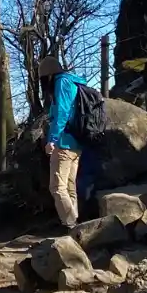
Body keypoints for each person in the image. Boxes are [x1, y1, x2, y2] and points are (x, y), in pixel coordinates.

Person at [38, 54, 95, 230]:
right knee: (69, 187)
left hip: (63, 143)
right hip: (77, 143)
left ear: (48, 75)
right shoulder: (75, 82)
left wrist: (52, 140)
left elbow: (62, 113)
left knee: (57, 187)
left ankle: (71, 225)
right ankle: (75, 225)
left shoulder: (61, 83)